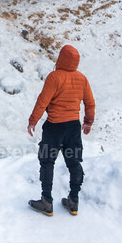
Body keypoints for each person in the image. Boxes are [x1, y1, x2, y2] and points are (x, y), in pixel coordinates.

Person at [27, 44, 95, 216]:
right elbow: (90, 102)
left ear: (61, 58)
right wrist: (88, 122)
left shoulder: (54, 77)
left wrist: (32, 121)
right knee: (74, 163)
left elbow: (43, 100)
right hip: (73, 128)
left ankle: (46, 202)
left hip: (55, 127)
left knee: (47, 161)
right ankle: (73, 201)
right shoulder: (82, 79)